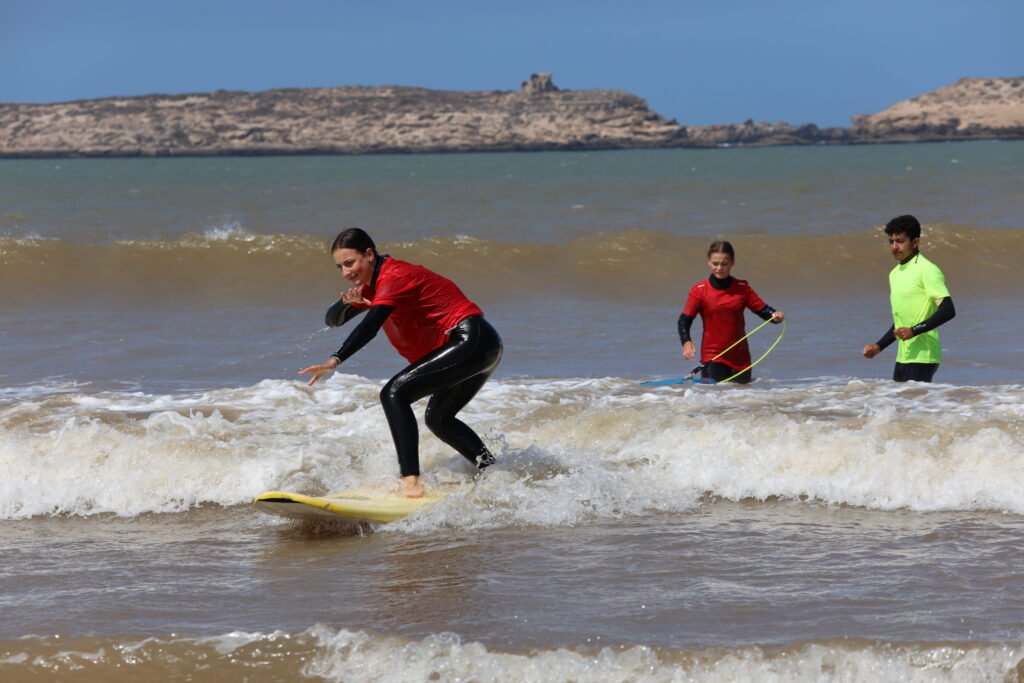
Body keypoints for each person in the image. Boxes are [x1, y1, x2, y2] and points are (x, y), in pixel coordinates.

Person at [300, 227, 503, 498]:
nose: (346, 272)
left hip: (470, 339)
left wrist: (334, 360)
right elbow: (333, 320)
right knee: (438, 418)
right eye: (340, 267)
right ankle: (495, 474)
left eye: (350, 263)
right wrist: (347, 302)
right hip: (481, 345)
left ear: (369, 255)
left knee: (394, 393)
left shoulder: (394, 277)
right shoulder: (374, 287)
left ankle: (411, 483)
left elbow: (371, 327)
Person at [862, 214, 955, 383]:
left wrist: (914, 330)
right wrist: (879, 346)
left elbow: (948, 310)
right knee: (902, 407)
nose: (894, 247)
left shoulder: (927, 269)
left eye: (900, 241)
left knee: (915, 408)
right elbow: (900, 323)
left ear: (915, 242)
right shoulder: (894, 274)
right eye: (891, 242)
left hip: (924, 356)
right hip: (903, 356)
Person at [678, 240, 785, 384]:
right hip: (713, 357)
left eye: (724, 263)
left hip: (740, 357)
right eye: (715, 263)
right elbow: (684, 319)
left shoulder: (742, 288)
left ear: (732, 262)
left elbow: (764, 310)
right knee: (715, 402)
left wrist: (776, 315)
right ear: (708, 262)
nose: (719, 268)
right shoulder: (699, 290)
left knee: (740, 402)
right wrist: (686, 341)